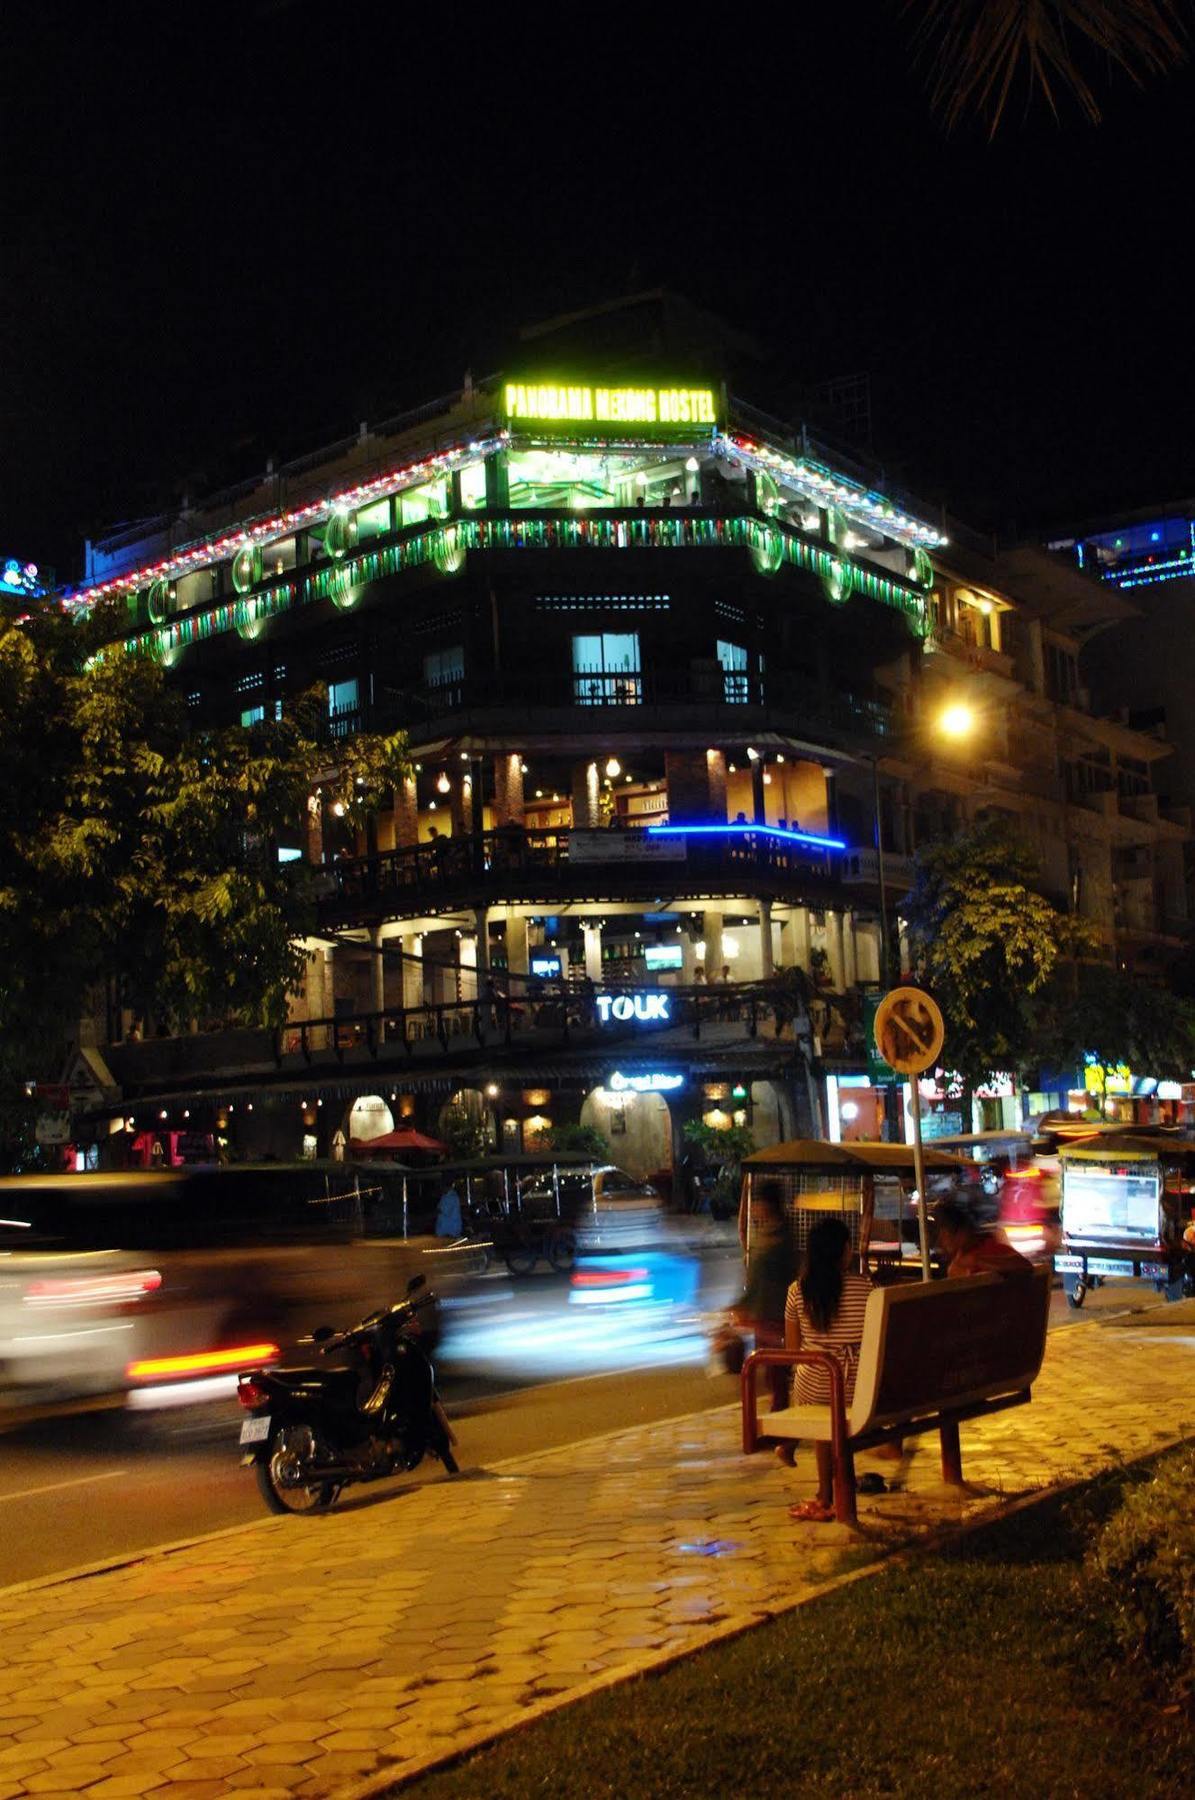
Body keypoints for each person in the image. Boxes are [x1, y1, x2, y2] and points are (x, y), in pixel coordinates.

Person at [784, 1217, 872, 1521]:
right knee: (834, 1396)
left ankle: (825, 1493)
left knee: (821, 1399)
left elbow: (793, 1353)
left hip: (817, 1385)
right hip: (860, 1387)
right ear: (846, 1251)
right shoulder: (864, 1287)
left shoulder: (797, 1291)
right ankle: (833, 1489)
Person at [731, 1181, 792, 1419]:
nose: (754, 1208)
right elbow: (754, 1278)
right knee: (769, 1372)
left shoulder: (780, 1237)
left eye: (757, 1203)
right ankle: (777, 1420)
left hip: (774, 1314)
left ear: (768, 1204)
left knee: (775, 1372)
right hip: (762, 1314)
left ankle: (781, 1425)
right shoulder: (766, 1233)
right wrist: (742, 1303)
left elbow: (772, 1279)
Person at [934, 1194, 1033, 1277]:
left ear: (962, 1231)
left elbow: (1025, 1266)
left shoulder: (989, 1248)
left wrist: (977, 1260)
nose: (942, 1240)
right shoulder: (956, 1266)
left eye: (946, 1232)